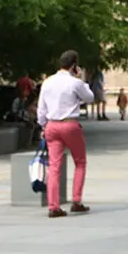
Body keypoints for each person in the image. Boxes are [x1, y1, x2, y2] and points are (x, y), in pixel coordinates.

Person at [36, 50, 96, 218]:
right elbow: (90, 97)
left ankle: (53, 206)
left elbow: (41, 108)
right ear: (74, 66)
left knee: (55, 166)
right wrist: (82, 80)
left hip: (52, 125)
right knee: (80, 162)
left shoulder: (47, 82)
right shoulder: (75, 83)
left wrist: (43, 125)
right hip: (70, 124)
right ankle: (76, 201)